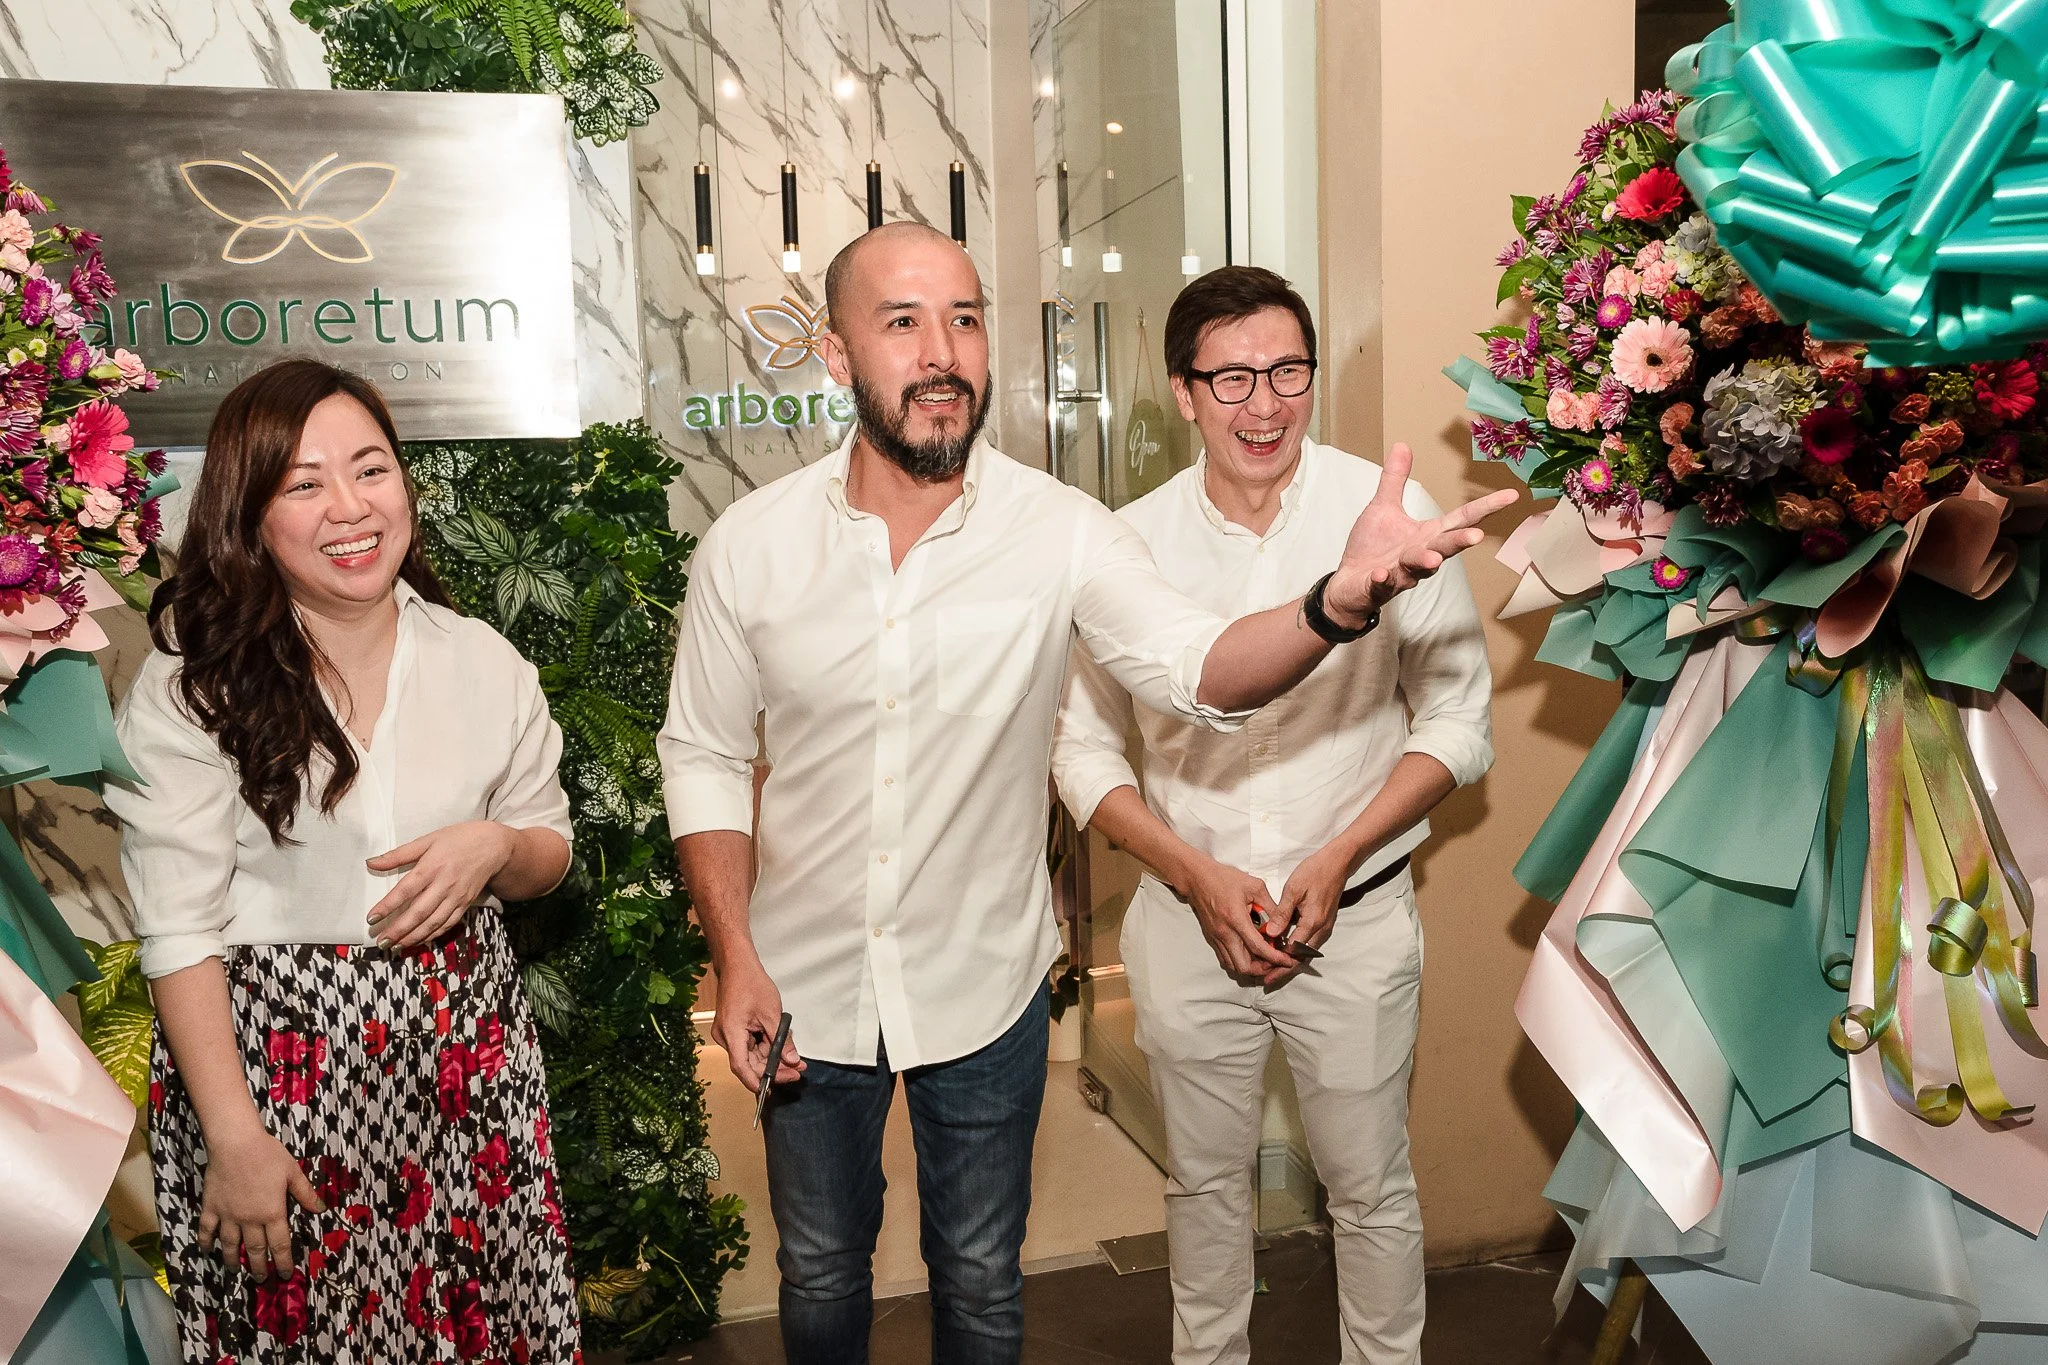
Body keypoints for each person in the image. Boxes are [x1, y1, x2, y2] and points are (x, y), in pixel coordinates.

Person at [657, 221, 1515, 1365]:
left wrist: (1335, 603)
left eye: (964, 318)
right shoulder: (747, 547)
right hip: (804, 981)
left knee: (978, 1279)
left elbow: (1201, 672)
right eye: (902, 321)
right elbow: (705, 753)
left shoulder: (1060, 533)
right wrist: (732, 951)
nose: (942, 351)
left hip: (985, 988)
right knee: (817, 1270)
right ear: (832, 352)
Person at [1051, 265, 1494, 1364]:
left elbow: (1458, 721)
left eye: (1286, 371)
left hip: (1359, 915)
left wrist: (1340, 854)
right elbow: (1078, 746)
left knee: (1370, 1188)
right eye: (1232, 378)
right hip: (1182, 918)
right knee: (1202, 1186)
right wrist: (1193, 875)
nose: (1264, 404)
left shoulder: (1385, 518)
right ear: (1181, 392)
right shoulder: (1125, 541)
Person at [104, 359, 583, 1364]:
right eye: (304, 483)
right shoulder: (195, 684)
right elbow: (179, 929)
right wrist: (233, 1140)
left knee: (487, 1334)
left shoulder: (481, 660)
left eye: (370, 470)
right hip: (276, 1086)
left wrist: (495, 847)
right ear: (249, 513)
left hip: (470, 1072)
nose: (350, 507)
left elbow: (548, 849)